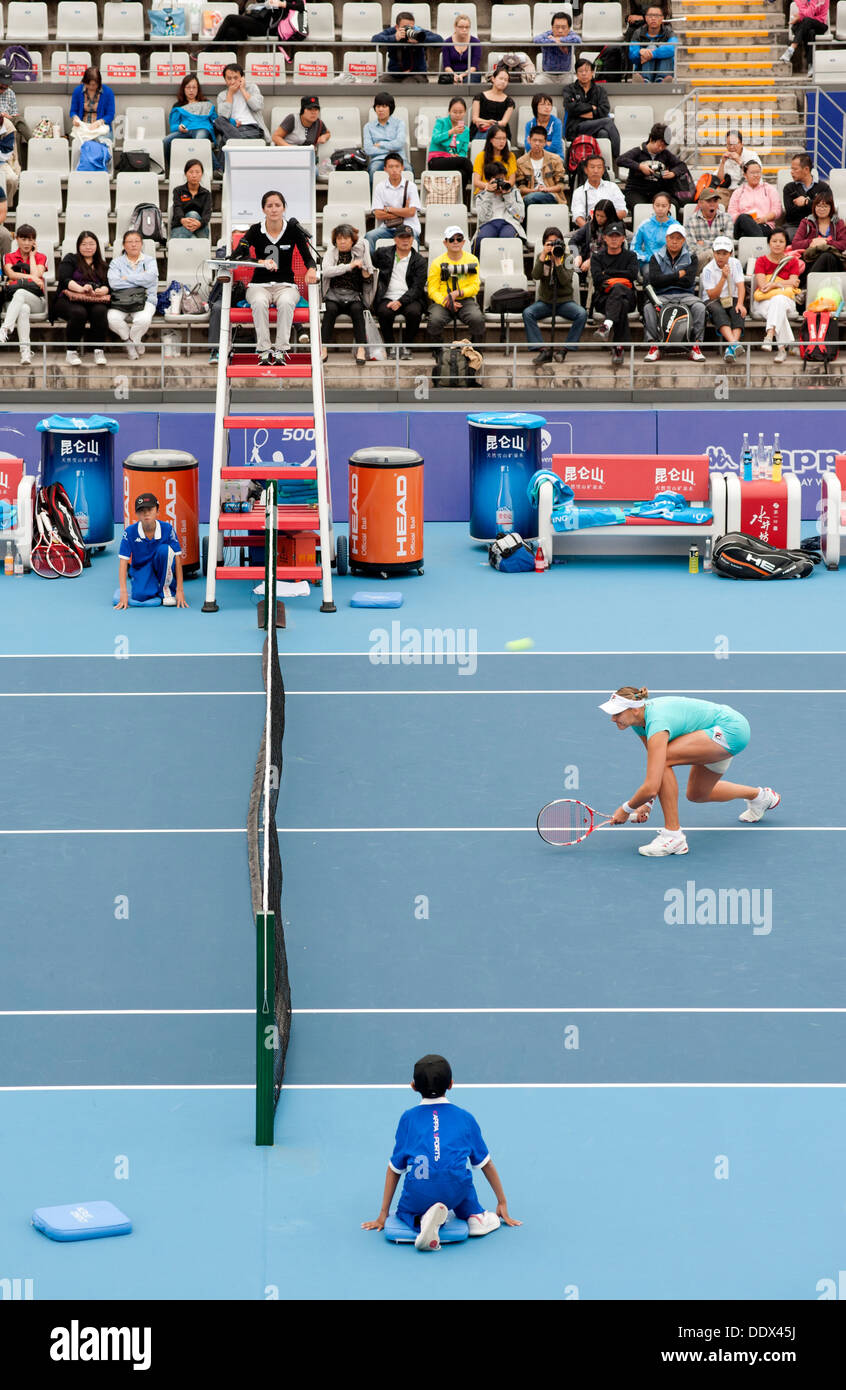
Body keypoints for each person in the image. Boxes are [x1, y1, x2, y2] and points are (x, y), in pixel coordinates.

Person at [600, 687, 780, 858]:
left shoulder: (657, 722)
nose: (613, 719)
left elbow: (654, 779)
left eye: (618, 714)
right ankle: (760, 797)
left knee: (665, 759)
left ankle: (673, 836)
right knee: (698, 794)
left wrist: (626, 809)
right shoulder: (638, 722)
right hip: (711, 733)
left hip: (730, 729)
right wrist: (647, 804)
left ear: (635, 709)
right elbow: (654, 769)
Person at [361, 1054, 519, 1247]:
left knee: (405, 1211)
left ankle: (421, 1221)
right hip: (456, 1193)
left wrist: (383, 1215)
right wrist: (502, 1202)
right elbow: (486, 1164)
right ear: (451, 1084)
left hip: (419, 1193)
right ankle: (475, 1218)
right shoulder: (465, 1118)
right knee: (461, 1181)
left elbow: (394, 1169)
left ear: (413, 1086)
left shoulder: (408, 1119)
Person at [233, 189, 318, 366]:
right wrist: (260, 261)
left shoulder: (293, 230)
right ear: (263, 209)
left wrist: (311, 269)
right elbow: (238, 256)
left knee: (287, 302)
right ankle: (264, 350)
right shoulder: (256, 230)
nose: (273, 209)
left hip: (286, 286)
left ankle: (281, 350)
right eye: (269, 206)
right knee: (258, 302)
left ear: (284, 208)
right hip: (259, 285)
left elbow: (308, 258)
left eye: (277, 205)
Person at [643, 221, 706, 363]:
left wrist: (666, 279)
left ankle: (696, 346)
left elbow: (688, 281)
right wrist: (678, 275)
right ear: (666, 239)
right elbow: (655, 281)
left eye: (678, 238)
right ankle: (654, 346)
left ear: (683, 240)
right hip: (662, 295)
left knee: (700, 307)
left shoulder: (692, 257)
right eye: (672, 238)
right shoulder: (656, 257)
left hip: (686, 294)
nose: (675, 241)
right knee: (648, 308)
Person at [524, 225, 587, 365]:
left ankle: (564, 350)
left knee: (581, 314)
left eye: (556, 243)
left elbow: (565, 280)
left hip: (565, 301)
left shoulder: (569, 257)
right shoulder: (542, 257)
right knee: (528, 313)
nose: (553, 246)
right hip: (546, 301)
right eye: (549, 243)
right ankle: (542, 350)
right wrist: (542, 257)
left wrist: (558, 263)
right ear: (544, 244)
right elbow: (535, 275)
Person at [426, 227, 484, 379]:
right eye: (451, 239)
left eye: (459, 239)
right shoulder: (437, 262)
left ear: (464, 242)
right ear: (445, 243)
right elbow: (432, 289)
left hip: (464, 298)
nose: (455, 242)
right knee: (434, 320)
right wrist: (446, 301)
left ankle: (475, 350)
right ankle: (438, 351)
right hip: (444, 300)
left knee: (477, 318)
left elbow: (475, 286)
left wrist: (458, 293)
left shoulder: (472, 260)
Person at [115, 492, 187, 609]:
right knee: (140, 595)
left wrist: (180, 590)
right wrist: (123, 592)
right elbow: (123, 562)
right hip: (142, 568)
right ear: (136, 514)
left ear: (157, 511)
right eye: (142, 510)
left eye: (150, 509)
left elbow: (178, 558)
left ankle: (166, 591)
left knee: (166, 550)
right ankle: (151, 585)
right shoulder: (129, 532)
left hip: (161, 565)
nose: (146, 513)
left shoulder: (167, 529)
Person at [52, 230, 110, 366]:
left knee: (100, 311)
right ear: (78, 246)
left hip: (93, 299)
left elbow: (108, 285)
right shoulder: (70, 259)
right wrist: (81, 289)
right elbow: (65, 279)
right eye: (84, 244)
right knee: (79, 313)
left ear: (97, 246)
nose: (88, 247)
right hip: (68, 299)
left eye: (91, 244)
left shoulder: (102, 264)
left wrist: (102, 290)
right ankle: (71, 352)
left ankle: (99, 351)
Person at [320, 223, 374, 366]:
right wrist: (349, 266)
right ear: (335, 241)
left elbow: (368, 280)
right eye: (339, 239)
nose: (342, 242)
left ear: (352, 241)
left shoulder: (358, 255)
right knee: (329, 310)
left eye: (346, 239)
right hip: (333, 295)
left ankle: (361, 349)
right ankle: (323, 348)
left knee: (358, 310)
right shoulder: (331, 253)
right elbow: (326, 271)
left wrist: (364, 268)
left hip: (353, 296)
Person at [372, 225, 427, 356]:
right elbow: (368, 262)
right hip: (387, 296)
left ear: (413, 239)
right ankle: (390, 346)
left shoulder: (419, 261)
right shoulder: (382, 253)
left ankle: (407, 347)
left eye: (408, 237)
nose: (405, 240)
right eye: (401, 237)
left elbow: (417, 288)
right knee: (384, 312)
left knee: (414, 312)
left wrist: (400, 301)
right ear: (395, 239)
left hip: (410, 298)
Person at [591, 220, 639, 364]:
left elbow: (633, 275)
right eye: (610, 235)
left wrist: (610, 274)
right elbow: (598, 278)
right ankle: (619, 347)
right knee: (621, 303)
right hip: (603, 299)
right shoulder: (597, 257)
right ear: (604, 237)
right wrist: (621, 279)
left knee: (619, 291)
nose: (614, 239)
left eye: (617, 236)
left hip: (628, 296)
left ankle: (606, 325)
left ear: (623, 238)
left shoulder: (630, 256)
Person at [752, 227, 801, 363]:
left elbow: (795, 282)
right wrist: (785, 284)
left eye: (781, 241)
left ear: (786, 244)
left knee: (778, 299)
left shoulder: (792, 261)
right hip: (763, 301)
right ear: (769, 243)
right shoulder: (761, 261)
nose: (777, 244)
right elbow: (762, 286)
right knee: (777, 304)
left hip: (787, 301)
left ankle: (769, 335)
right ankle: (782, 349)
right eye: (774, 241)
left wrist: (774, 284)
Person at [106, 229, 158, 360]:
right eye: (130, 242)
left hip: (145, 298)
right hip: (121, 299)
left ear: (141, 244)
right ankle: (128, 342)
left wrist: (126, 278)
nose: (133, 244)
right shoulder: (116, 262)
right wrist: (140, 280)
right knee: (112, 318)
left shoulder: (150, 261)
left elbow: (151, 279)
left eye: (137, 241)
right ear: (124, 245)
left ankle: (135, 340)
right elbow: (114, 283)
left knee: (143, 319)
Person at [0, 223, 47, 365]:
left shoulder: (41, 257)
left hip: (37, 300)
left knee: (21, 292)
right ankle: (25, 352)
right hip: (16, 301)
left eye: (30, 240)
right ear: (17, 240)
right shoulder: (9, 257)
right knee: (23, 309)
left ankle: (5, 329)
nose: (27, 243)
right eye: (23, 239)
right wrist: (32, 278)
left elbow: (37, 274)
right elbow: (11, 274)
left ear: (34, 242)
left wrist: (32, 257)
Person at [618, 122, 683, 213]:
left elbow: (681, 165)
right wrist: (640, 167)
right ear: (652, 139)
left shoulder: (665, 154)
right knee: (641, 209)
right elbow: (620, 160)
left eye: (664, 146)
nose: (661, 149)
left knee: (673, 204)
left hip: (658, 192)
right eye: (659, 145)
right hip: (636, 191)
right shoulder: (638, 151)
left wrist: (673, 173)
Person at [563, 58, 621, 160]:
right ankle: (618, 157)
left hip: (595, 127)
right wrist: (591, 107)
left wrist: (582, 111)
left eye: (587, 71)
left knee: (604, 133)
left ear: (592, 72)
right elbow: (570, 107)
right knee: (607, 122)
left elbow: (604, 110)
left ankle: (601, 163)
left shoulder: (600, 90)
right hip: (576, 128)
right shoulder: (569, 89)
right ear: (576, 74)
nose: (584, 74)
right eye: (581, 71)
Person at [701, 234, 746, 362]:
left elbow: (741, 286)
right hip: (713, 300)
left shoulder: (735, 263)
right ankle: (734, 343)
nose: (721, 256)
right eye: (718, 253)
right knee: (718, 311)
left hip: (731, 297)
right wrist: (723, 278)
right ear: (713, 253)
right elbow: (711, 295)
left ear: (730, 253)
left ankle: (731, 348)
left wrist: (741, 304)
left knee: (738, 311)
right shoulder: (708, 269)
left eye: (724, 253)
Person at [365, 152, 422, 251]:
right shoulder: (380, 187)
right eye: (391, 167)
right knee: (369, 236)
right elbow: (378, 214)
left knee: (414, 237)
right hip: (388, 228)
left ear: (402, 168)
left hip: (409, 227)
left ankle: (412, 265)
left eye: (397, 166)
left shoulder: (411, 186)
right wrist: (403, 211)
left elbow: (411, 212)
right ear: (385, 169)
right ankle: (373, 266)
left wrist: (388, 209)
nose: (394, 170)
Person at [372, 11, 443, 83]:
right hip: (395, 75)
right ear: (397, 27)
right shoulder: (392, 32)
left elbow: (439, 40)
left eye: (411, 27)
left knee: (408, 85)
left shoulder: (417, 31)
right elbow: (374, 40)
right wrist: (394, 38)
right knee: (378, 83)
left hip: (416, 74)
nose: (408, 30)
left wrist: (420, 39)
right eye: (405, 27)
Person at [165, 75, 216, 172]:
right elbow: (173, 127)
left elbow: (215, 120)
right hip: (185, 131)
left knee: (200, 140)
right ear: (183, 89)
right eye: (188, 87)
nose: (191, 90)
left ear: (198, 89)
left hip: (202, 129)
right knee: (166, 141)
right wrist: (179, 127)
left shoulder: (206, 103)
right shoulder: (178, 105)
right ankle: (172, 169)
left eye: (194, 87)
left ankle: (216, 168)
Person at [472, 162, 526, 250]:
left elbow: (519, 217)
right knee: (482, 239)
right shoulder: (482, 196)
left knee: (508, 238)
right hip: (488, 223)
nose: (501, 182)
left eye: (503, 179)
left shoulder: (514, 193)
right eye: (498, 180)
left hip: (509, 223)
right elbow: (483, 218)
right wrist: (489, 194)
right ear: (489, 180)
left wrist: (508, 196)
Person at [791, 189, 846, 273]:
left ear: (831, 208)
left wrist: (825, 243)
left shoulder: (838, 223)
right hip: (811, 259)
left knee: (827, 256)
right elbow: (795, 244)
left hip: (834, 261)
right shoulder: (806, 222)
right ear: (814, 207)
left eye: (825, 206)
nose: (821, 209)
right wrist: (813, 241)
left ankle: (809, 284)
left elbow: (843, 244)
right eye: (819, 206)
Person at [214, 64, 269, 145]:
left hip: (252, 128)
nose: (232, 82)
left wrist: (242, 89)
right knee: (219, 120)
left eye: (235, 78)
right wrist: (230, 94)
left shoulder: (252, 88)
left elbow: (257, 106)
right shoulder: (222, 95)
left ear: (242, 78)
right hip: (233, 127)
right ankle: (234, 138)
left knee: (226, 141)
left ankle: (233, 140)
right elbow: (224, 117)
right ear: (225, 80)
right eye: (229, 78)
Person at [727, 158, 782, 239]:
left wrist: (764, 219)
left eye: (758, 172)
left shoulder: (769, 189)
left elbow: (777, 210)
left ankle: (756, 239)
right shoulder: (738, 192)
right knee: (743, 217)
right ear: (745, 175)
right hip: (742, 227)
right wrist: (748, 221)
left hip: (764, 225)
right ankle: (759, 242)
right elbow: (731, 212)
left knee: (756, 230)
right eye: (752, 173)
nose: (756, 175)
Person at [427, 96, 473, 191]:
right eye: (454, 112)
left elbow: (464, 151)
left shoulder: (466, 130)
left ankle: (460, 202)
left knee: (462, 174)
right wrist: (451, 132)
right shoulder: (441, 122)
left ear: (465, 112)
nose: (457, 115)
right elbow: (435, 139)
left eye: (460, 112)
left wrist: (458, 155)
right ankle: (479, 186)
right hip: (436, 160)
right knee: (465, 162)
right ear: (449, 111)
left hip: (454, 161)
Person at [363, 92, 411, 181]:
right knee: (373, 170)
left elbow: (400, 143)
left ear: (390, 108)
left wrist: (381, 144)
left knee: (408, 170)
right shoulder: (368, 127)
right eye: (378, 106)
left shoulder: (399, 123)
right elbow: (368, 149)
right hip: (379, 159)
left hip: (398, 158)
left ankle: (407, 195)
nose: (380, 110)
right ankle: (373, 195)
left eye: (384, 106)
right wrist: (392, 148)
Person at [684, 184, 734, 271]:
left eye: (715, 201)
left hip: (722, 260)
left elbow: (728, 245)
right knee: (710, 255)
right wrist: (716, 246)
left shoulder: (727, 218)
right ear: (700, 203)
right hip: (699, 262)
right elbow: (691, 249)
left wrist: (703, 243)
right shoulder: (690, 221)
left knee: (719, 257)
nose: (712, 204)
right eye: (709, 201)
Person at [515, 126, 567, 207]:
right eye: (534, 140)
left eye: (540, 141)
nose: (537, 144)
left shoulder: (555, 159)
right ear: (529, 140)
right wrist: (534, 190)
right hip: (529, 195)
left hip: (551, 195)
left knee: (531, 199)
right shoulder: (521, 162)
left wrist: (546, 189)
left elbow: (561, 185)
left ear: (545, 142)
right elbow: (521, 188)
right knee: (529, 199)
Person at [570, 154, 627, 227]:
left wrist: (607, 223)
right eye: (592, 167)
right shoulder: (579, 192)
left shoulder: (612, 187)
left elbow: (623, 211)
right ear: (586, 170)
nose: (596, 171)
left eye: (599, 167)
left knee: (632, 237)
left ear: (603, 170)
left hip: (612, 227)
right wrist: (590, 231)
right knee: (567, 237)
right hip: (588, 228)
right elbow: (578, 217)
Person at [213, 0, 303, 44]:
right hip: (256, 21)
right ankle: (234, 67)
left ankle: (212, 47)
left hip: (269, 27)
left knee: (230, 18)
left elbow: (301, 6)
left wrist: (281, 4)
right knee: (231, 32)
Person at [782, 154, 828, 241]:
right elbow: (791, 213)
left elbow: (827, 209)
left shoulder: (823, 187)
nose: (791, 172)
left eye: (795, 169)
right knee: (791, 237)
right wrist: (815, 205)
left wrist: (806, 202)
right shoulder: (789, 188)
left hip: (818, 224)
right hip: (795, 225)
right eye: (791, 169)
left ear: (806, 169)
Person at [628, 4, 678, 82]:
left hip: (664, 69)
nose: (653, 18)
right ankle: (645, 80)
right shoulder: (638, 32)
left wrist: (652, 54)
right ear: (645, 18)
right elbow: (632, 55)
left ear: (662, 18)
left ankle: (661, 80)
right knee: (650, 47)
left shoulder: (668, 31)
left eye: (657, 16)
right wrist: (639, 52)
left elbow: (673, 48)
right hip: (643, 69)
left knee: (661, 49)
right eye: (650, 16)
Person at [780, 0, 829, 72]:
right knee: (810, 32)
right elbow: (805, 13)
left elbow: (809, 14)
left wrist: (799, 17)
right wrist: (801, 16)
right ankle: (811, 65)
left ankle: (792, 48)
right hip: (806, 26)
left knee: (807, 21)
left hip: (820, 24)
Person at [533, 11, 581, 84]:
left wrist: (559, 40)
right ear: (552, 27)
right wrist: (555, 41)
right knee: (535, 85)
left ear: (569, 28)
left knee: (577, 85)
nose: (560, 30)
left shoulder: (571, 35)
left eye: (563, 27)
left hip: (566, 75)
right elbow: (536, 39)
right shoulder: (548, 34)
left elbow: (578, 39)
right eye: (557, 27)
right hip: (547, 75)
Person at [170, 159, 212, 239]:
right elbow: (177, 208)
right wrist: (182, 220)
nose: (194, 175)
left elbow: (207, 214)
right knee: (193, 238)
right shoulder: (178, 191)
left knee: (193, 214)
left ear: (202, 174)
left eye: (197, 172)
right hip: (180, 226)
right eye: (191, 172)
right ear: (186, 174)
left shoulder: (206, 194)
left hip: (200, 228)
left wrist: (199, 223)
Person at [470, 65, 515, 138]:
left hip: (500, 131)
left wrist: (490, 124)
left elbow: (504, 122)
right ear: (493, 79)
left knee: (493, 134)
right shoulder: (479, 97)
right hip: (480, 129)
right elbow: (475, 119)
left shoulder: (509, 101)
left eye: (506, 80)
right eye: (501, 78)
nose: (503, 82)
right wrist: (488, 122)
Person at [70, 66, 115, 137]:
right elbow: (73, 111)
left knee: (96, 144)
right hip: (83, 127)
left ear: (99, 82)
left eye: (94, 85)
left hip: (101, 128)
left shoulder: (108, 92)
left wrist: (99, 122)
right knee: (81, 141)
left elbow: (110, 115)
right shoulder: (78, 91)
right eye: (88, 84)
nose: (91, 87)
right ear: (84, 81)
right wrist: (75, 118)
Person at [632, 189, 675, 264]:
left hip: (670, 263)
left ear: (669, 207)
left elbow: (682, 248)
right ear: (653, 206)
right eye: (657, 205)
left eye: (664, 206)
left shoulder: (675, 226)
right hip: (649, 263)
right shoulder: (645, 225)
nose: (660, 208)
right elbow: (634, 248)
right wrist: (647, 257)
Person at [472, 125, 516, 196]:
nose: (502, 141)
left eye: (504, 138)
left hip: (504, 191)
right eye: (498, 138)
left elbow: (512, 180)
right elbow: (476, 181)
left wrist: (502, 185)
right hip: (485, 191)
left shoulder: (511, 156)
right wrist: (488, 186)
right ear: (491, 139)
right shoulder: (481, 156)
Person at [440, 13, 482, 84]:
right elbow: (446, 66)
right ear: (455, 27)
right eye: (461, 27)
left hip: (470, 73)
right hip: (452, 73)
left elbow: (474, 66)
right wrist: (455, 75)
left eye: (467, 27)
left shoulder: (476, 42)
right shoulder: (447, 42)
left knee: (467, 82)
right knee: (446, 81)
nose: (464, 29)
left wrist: (462, 75)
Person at [523, 93, 564, 159]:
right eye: (543, 104)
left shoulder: (556, 123)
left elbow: (555, 146)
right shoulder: (529, 125)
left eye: (549, 104)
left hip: (554, 157)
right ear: (535, 106)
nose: (547, 107)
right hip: (534, 157)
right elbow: (528, 147)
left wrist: (537, 145)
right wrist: (547, 143)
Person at [714, 129, 746, 206]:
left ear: (741, 144)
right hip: (727, 191)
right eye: (729, 144)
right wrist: (722, 163)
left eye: (734, 144)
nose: (731, 147)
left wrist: (739, 161)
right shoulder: (726, 157)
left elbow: (753, 176)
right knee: (715, 201)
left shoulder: (751, 156)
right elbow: (719, 180)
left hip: (744, 189)